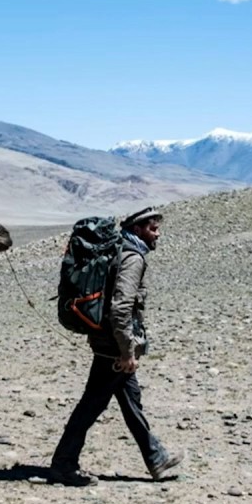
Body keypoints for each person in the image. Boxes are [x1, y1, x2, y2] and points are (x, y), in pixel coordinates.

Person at [49, 206, 182, 486]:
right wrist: (127, 352)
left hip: (108, 341)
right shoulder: (132, 258)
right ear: (137, 229)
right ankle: (63, 464)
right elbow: (121, 308)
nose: (157, 234)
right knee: (90, 406)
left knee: (131, 402)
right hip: (113, 348)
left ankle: (156, 458)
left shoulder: (119, 252)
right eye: (152, 229)